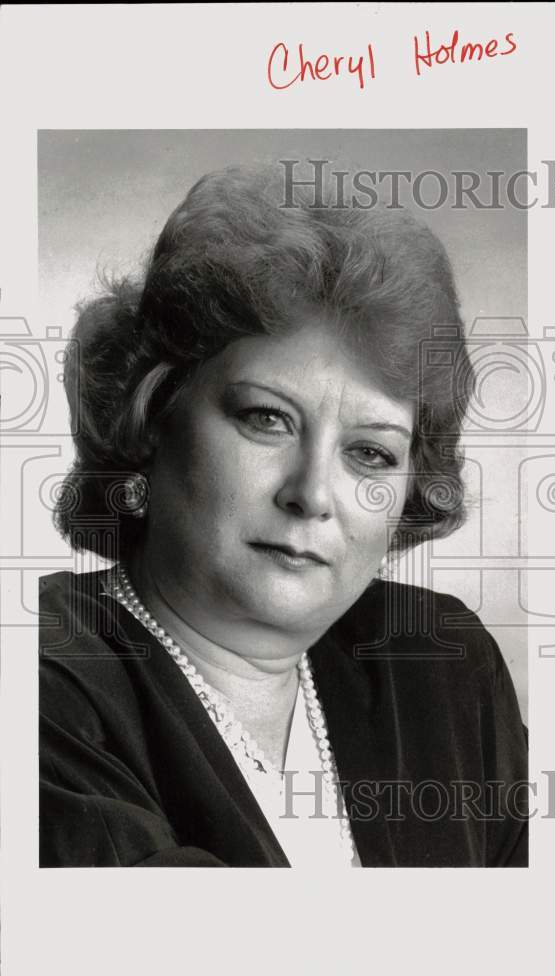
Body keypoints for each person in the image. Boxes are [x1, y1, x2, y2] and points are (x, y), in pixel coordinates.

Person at [39, 163, 528, 867]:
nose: (313, 493)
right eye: (266, 418)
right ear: (150, 417)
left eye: (370, 453)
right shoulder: (42, 683)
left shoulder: (442, 665)